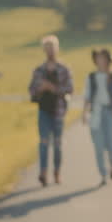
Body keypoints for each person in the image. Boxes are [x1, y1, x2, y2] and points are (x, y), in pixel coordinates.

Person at [28, 34, 73, 187]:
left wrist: (53, 88)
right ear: (44, 50)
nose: (50, 51)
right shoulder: (39, 70)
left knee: (58, 144)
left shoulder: (64, 69)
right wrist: (40, 88)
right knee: (44, 142)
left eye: (52, 48)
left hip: (59, 110)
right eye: (47, 48)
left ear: (57, 49)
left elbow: (70, 89)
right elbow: (31, 90)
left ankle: (57, 172)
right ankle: (43, 173)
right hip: (44, 111)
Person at [81, 48, 112, 185]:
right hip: (96, 113)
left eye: (103, 58)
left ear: (107, 60)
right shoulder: (91, 77)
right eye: (98, 58)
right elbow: (87, 96)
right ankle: (103, 174)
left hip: (110, 113)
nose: (100, 60)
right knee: (99, 146)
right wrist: (84, 113)